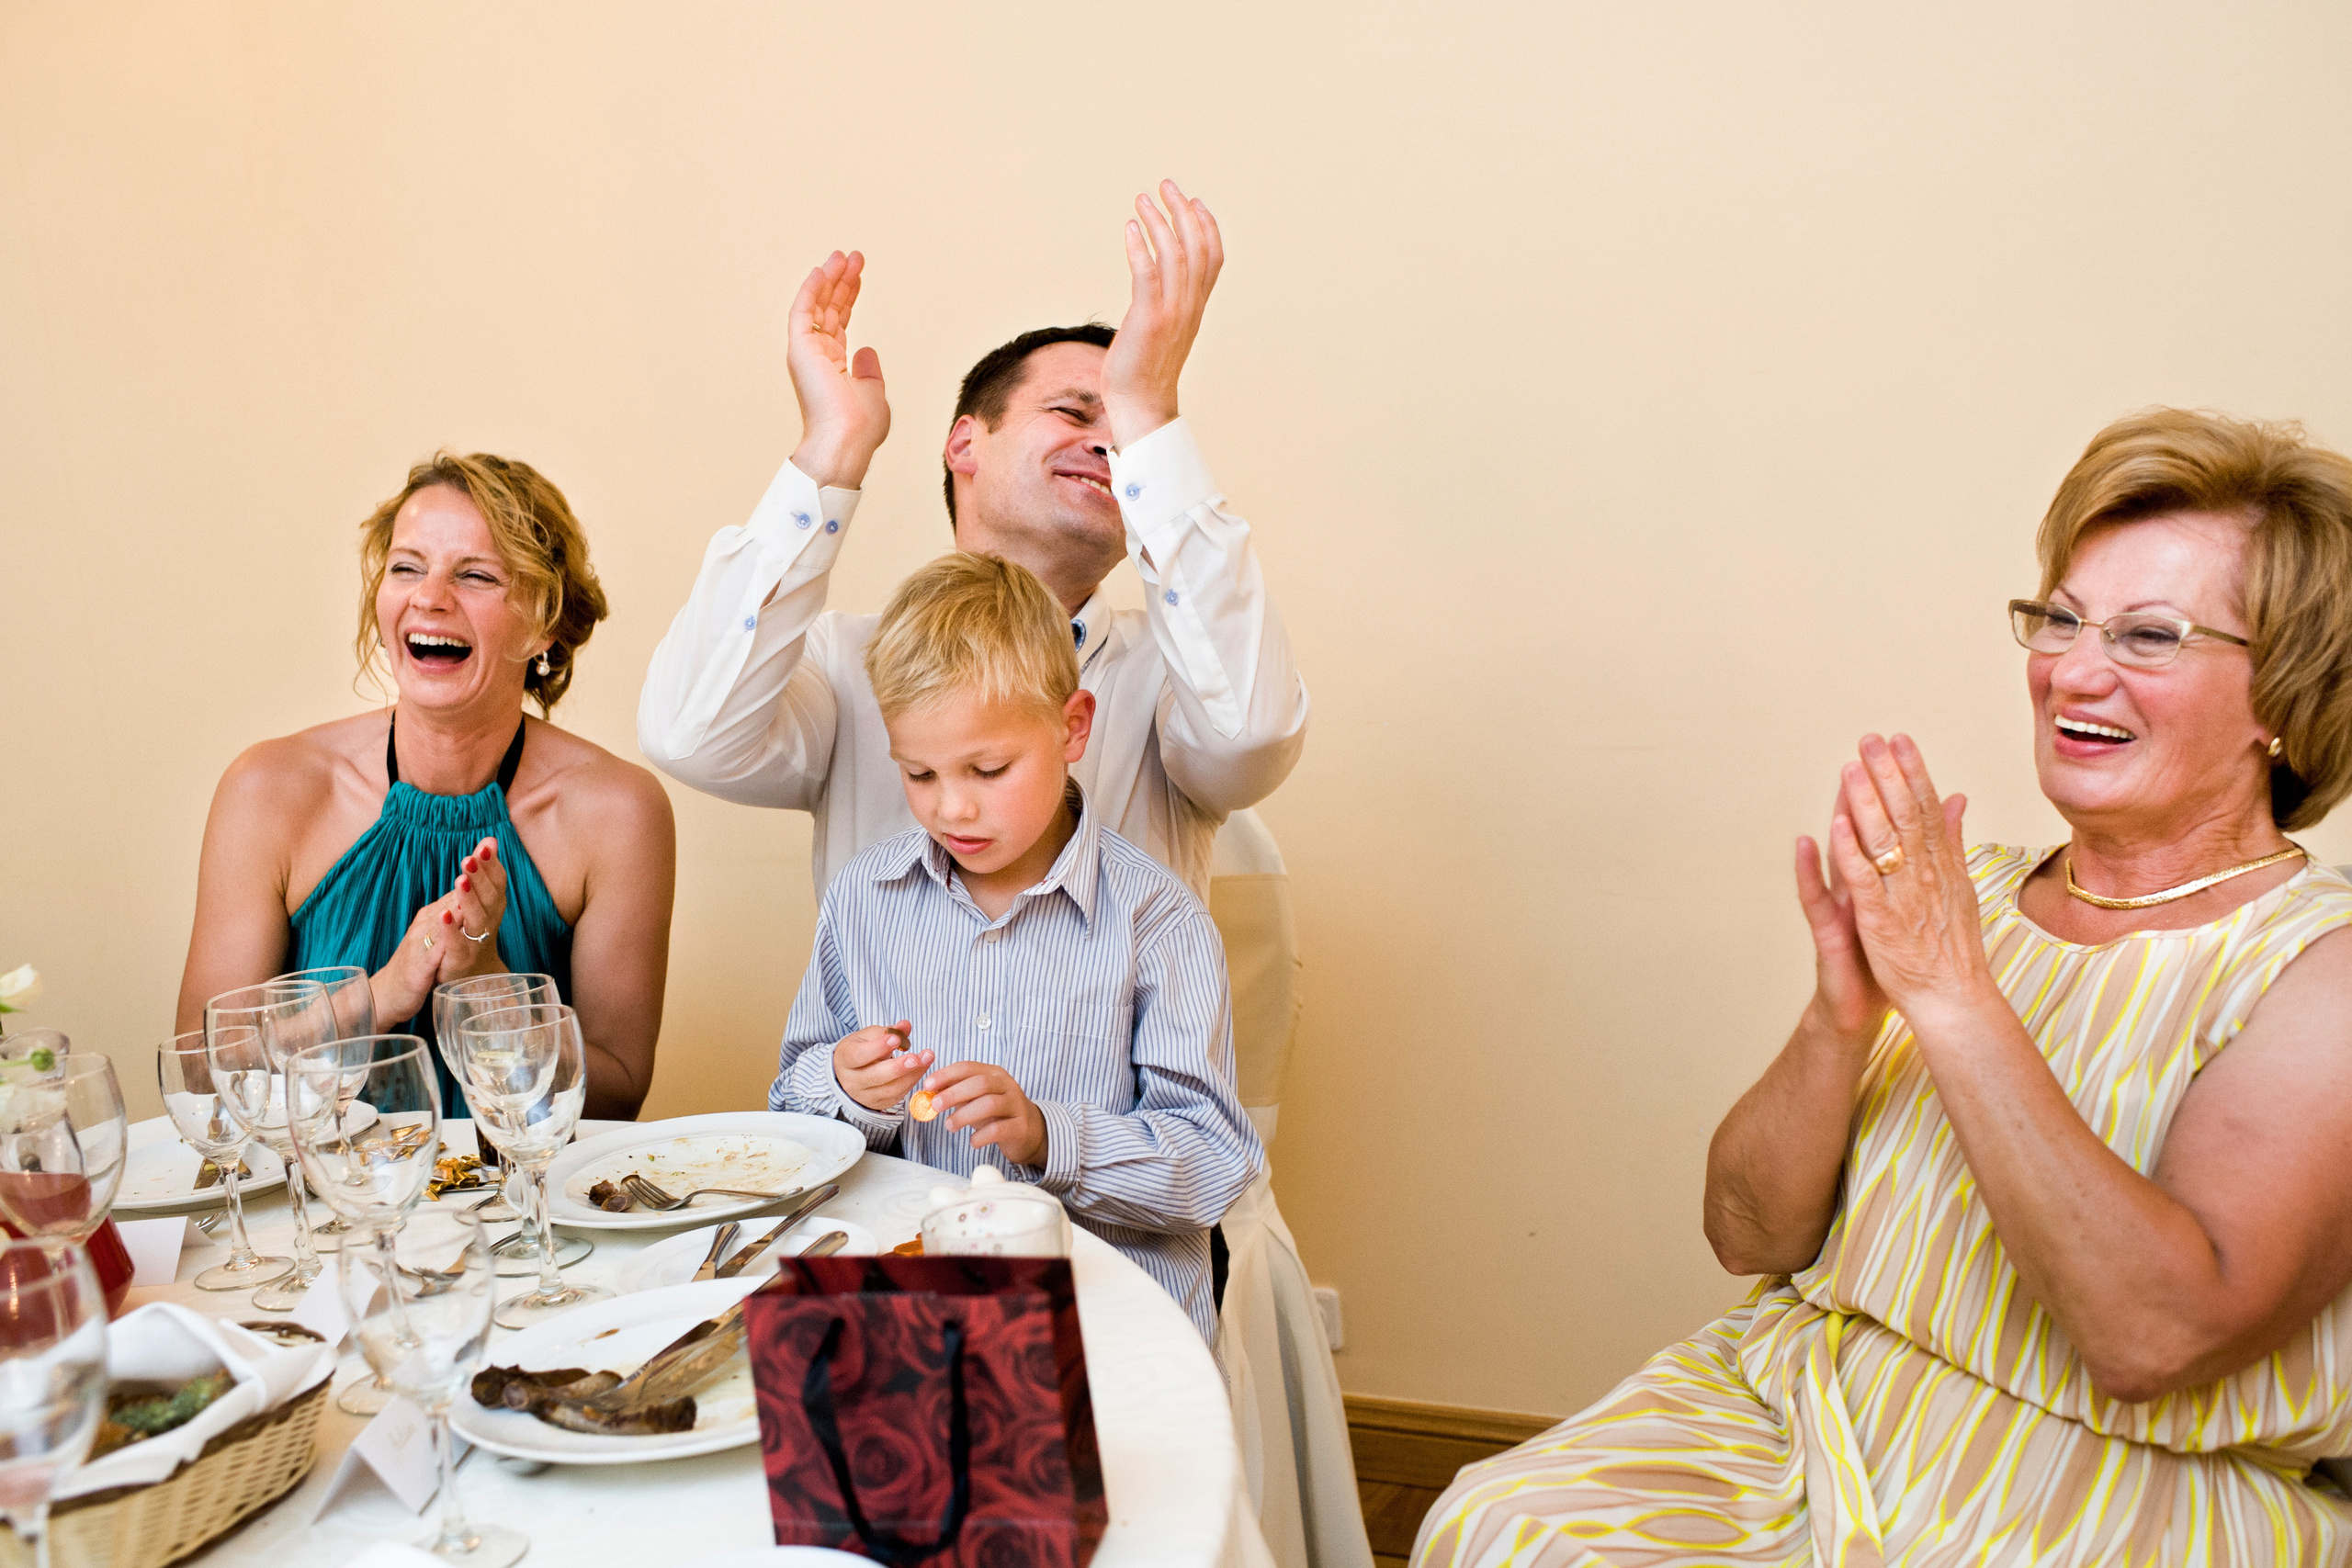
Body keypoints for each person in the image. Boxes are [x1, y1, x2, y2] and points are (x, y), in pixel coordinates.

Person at [1417, 409, 2352, 1565]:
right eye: (2058, 618)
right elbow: (1745, 1232)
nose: (2072, 667)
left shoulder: (2319, 968)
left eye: (2149, 636)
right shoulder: (1968, 900)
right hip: (1802, 1399)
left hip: (2100, 1485)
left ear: (2284, 695)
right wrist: (1838, 1015)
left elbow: (2151, 1337)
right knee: (1498, 1528)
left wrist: (1953, 996)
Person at [637, 180, 1308, 901]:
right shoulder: (842, 667)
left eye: (1131, 438)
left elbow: (1250, 739)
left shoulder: (1173, 682)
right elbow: (689, 734)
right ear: (966, 443)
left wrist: (1150, 409)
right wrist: (829, 451)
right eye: (1076, 412)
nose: (1112, 448)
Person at [768, 552, 1262, 1342]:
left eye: (988, 768)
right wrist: (847, 1087)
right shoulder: (865, 899)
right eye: (919, 772)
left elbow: (1210, 1161)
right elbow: (790, 1113)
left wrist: (1044, 1132)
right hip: (921, 1320)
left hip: (1109, 1331)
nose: (951, 806)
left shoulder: (1156, 920)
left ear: (1073, 727)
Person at [175, 453, 675, 1119]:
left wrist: (486, 982)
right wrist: (382, 993)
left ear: (545, 623)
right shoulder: (267, 788)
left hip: (520, 1212)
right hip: (325, 1206)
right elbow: (202, 1072)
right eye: (406, 567)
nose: (429, 597)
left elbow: (616, 1097)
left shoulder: (620, 811)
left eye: (475, 575)